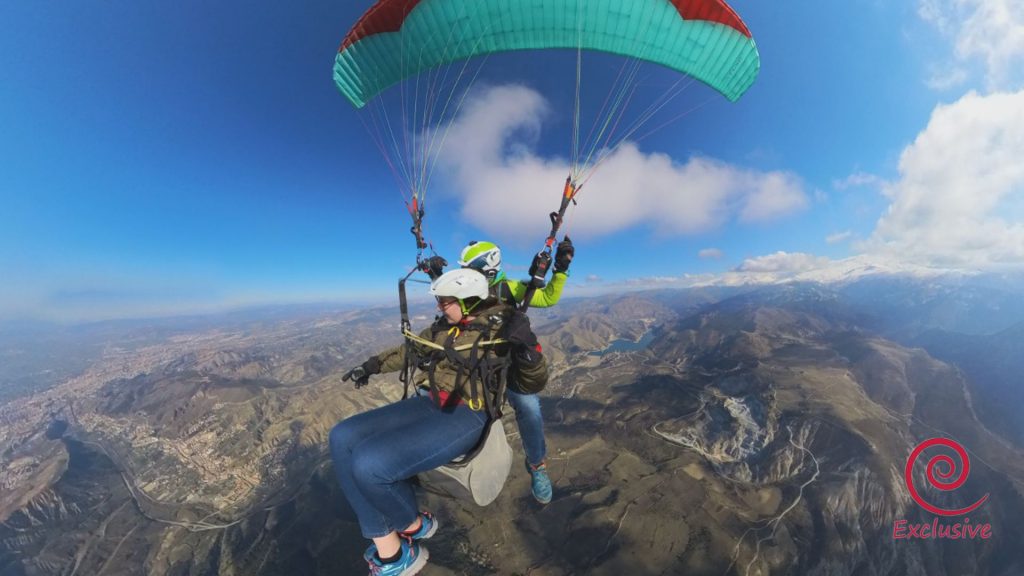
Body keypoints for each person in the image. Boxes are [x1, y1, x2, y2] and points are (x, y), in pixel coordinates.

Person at [332, 268, 548, 576]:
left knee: (369, 464)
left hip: (468, 412)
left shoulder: (502, 330)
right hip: (429, 401)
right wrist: (371, 366)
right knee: (342, 436)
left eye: (445, 301)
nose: (439, 306)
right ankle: (392, 553)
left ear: (469, 301)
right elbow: (411, 351)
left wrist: (528, 349)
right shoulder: (444, 328)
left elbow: (532, 383)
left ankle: (414, 525)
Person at [457, 237, 574, 505]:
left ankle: (537, 465)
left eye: (469, 269)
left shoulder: (509, 289)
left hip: (509, 364)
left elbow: (547, 297)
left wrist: (561, 269)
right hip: (478, 364)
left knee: (529, 409)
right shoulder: (465, 293)